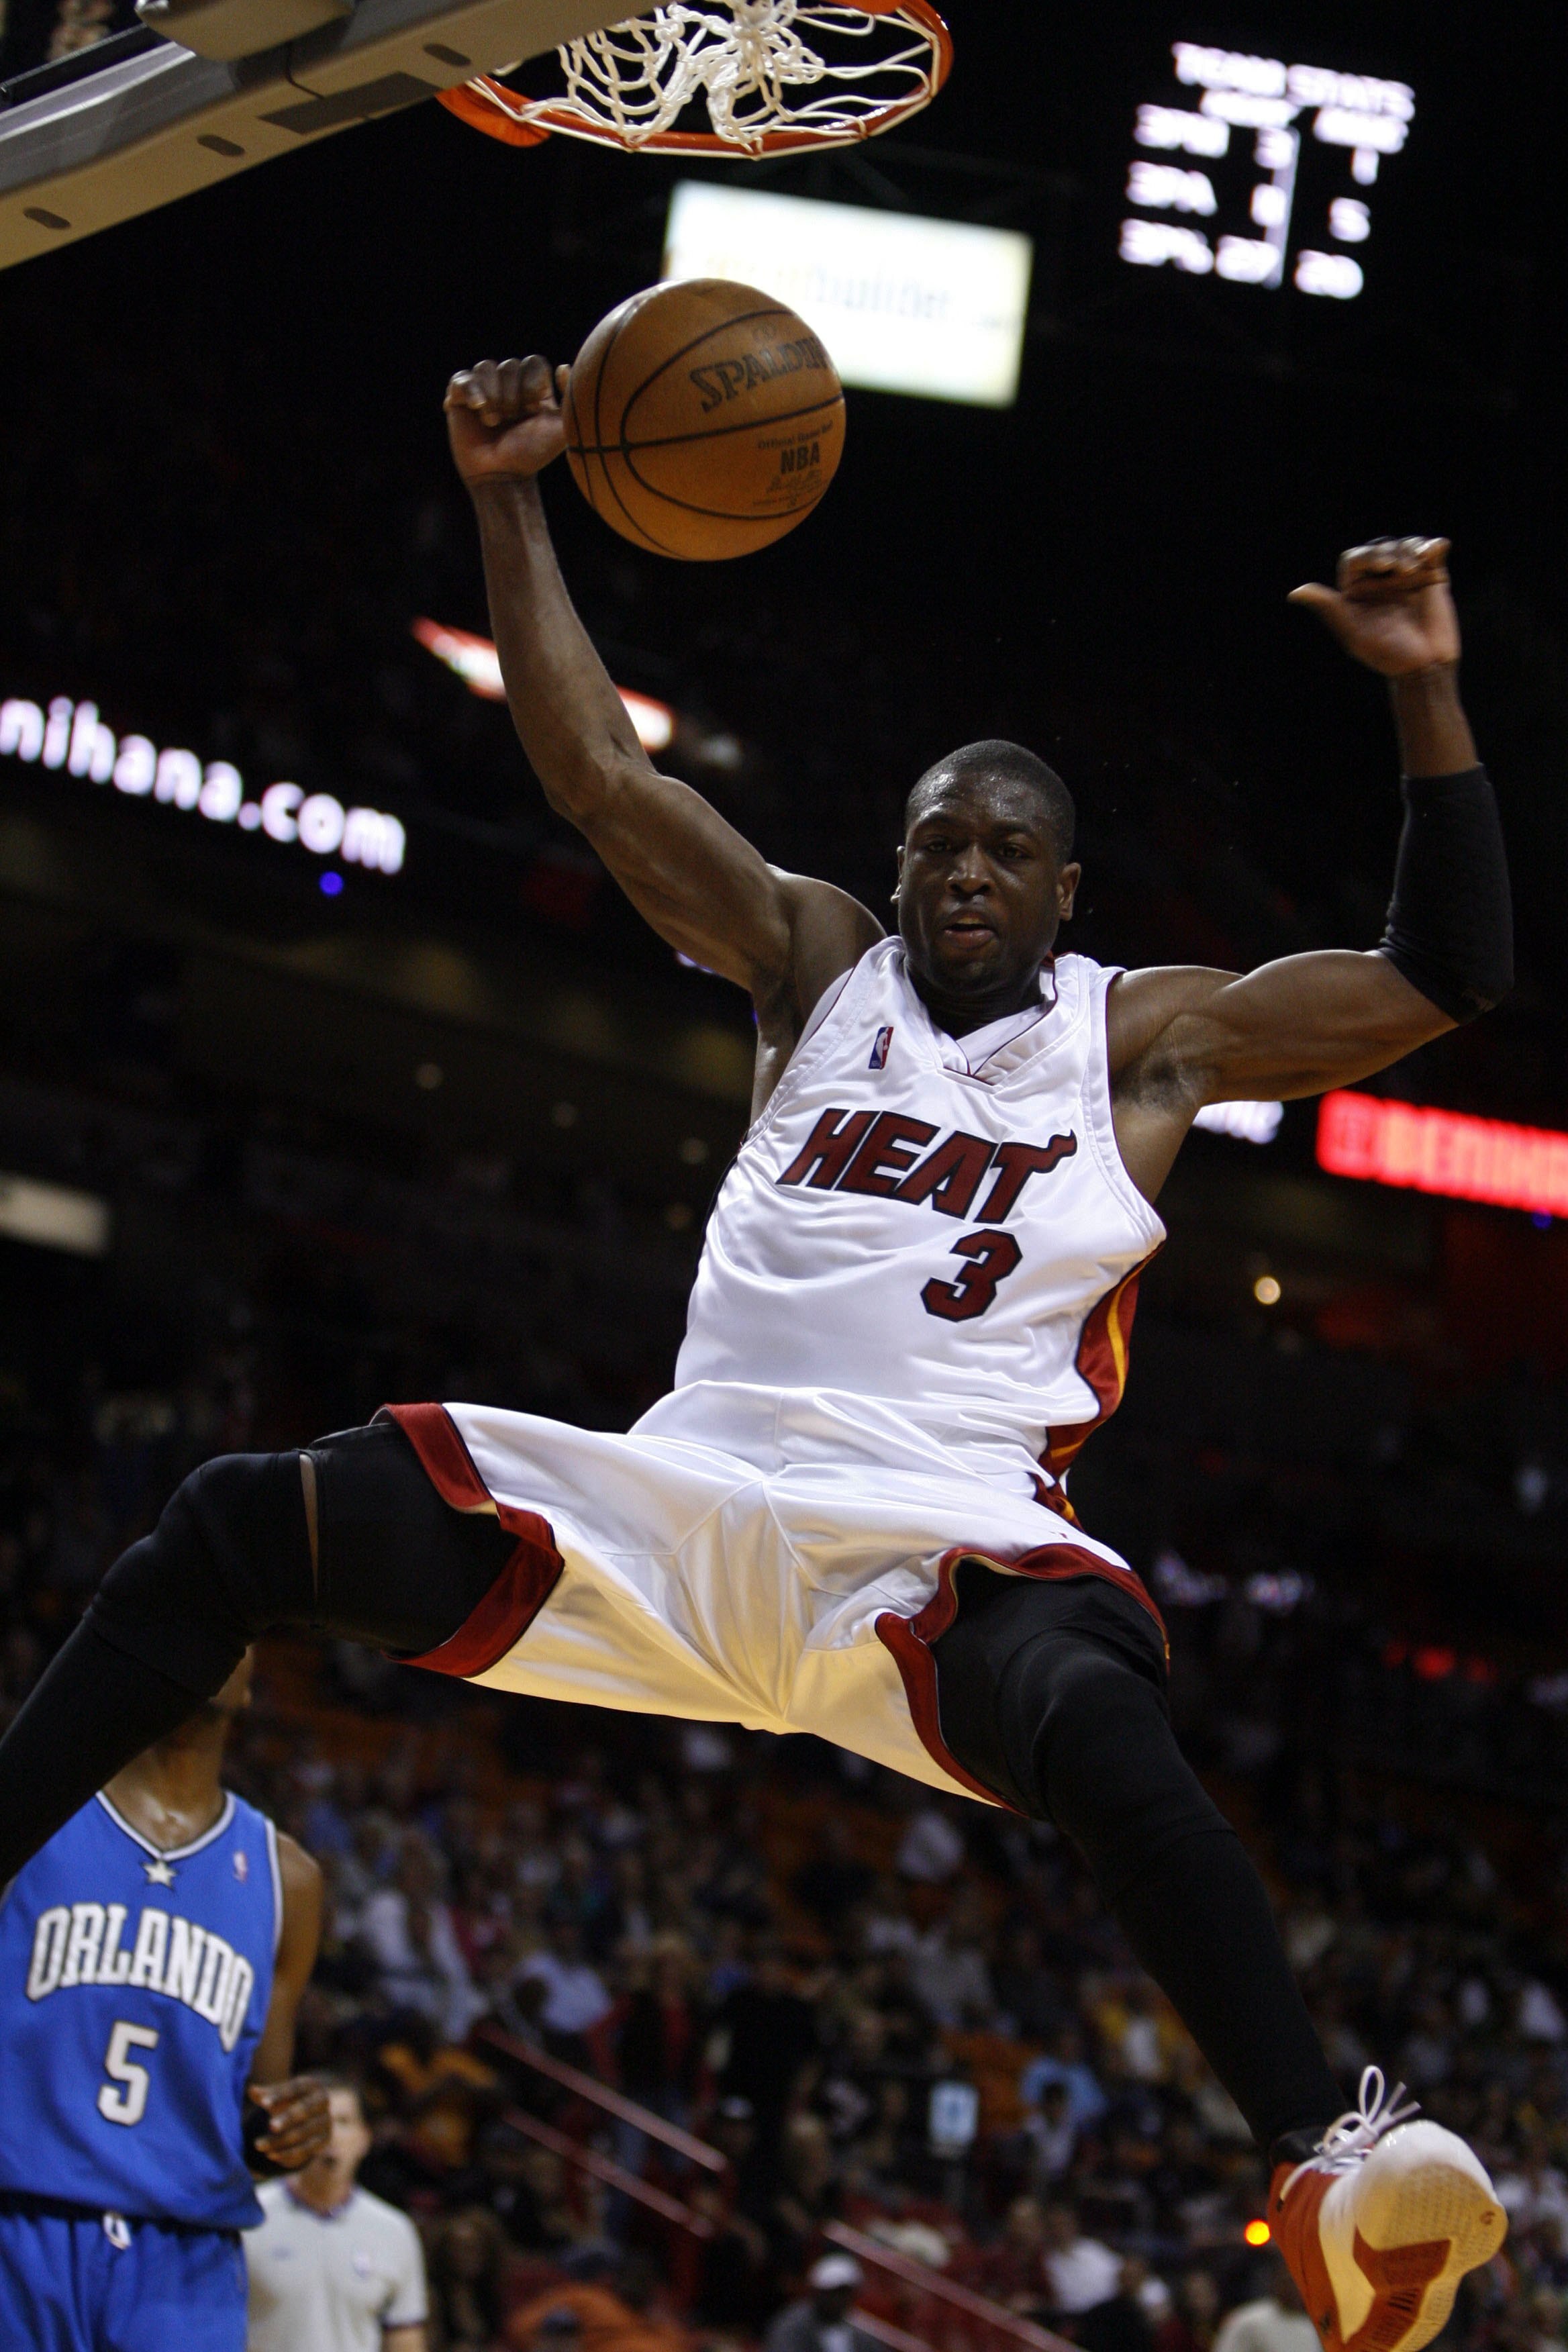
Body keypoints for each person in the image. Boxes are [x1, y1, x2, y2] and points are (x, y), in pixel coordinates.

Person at [0, 359, 1516, 2352]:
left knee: (1093, 1713)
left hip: (936, 1540)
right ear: (895, 861)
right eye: (934, 841)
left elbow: (1439, 977)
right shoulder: (814, 961)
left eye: (1002, 850)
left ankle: (1315, 2150)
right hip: (681, 1502)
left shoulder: (1141, 1039)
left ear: (1063, 891)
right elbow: (598, 783)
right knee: (226, 1524)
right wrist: (512, 500)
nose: (960, 871)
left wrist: (1421, 690)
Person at [0, 1651, 327, 2351]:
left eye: (236, 1629)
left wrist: (292, 2129)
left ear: (254, 1685)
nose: (214, 1636)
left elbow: (256, 2122)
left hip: (185, 2261)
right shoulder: (27, 1814)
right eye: (191, 1609)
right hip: (20, 2222)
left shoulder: (288, 1881)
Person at [245, 2077, 428, 2352]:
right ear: (293, 2133)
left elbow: (405, 2339)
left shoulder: (394, 2229)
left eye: (343, 2122)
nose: (330, 2135)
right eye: (319, 2123)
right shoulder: (250, 2216)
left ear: (364, 2139)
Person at [763, 2253, 881, 2352]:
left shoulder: (859, 2335)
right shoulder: (792, 2325)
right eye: (833, 2293)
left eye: (844, 2293)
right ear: (817, 2292)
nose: (838, 2300)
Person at [1212, 2261, 1320, 2352]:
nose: (1295, 2288)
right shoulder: (1248, 2320)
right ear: (1278, 2282)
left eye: (1302, 2283)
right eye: (1290, 2281)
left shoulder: (1313, 2327)